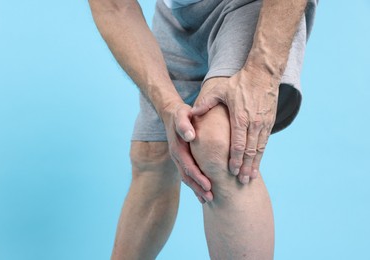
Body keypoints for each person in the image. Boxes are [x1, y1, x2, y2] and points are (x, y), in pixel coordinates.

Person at [89, 0, 317, 259]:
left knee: (218, 142)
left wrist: (261, 72)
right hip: (176, 11)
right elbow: (114, 6)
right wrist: (167, 106)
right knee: (153, 153)